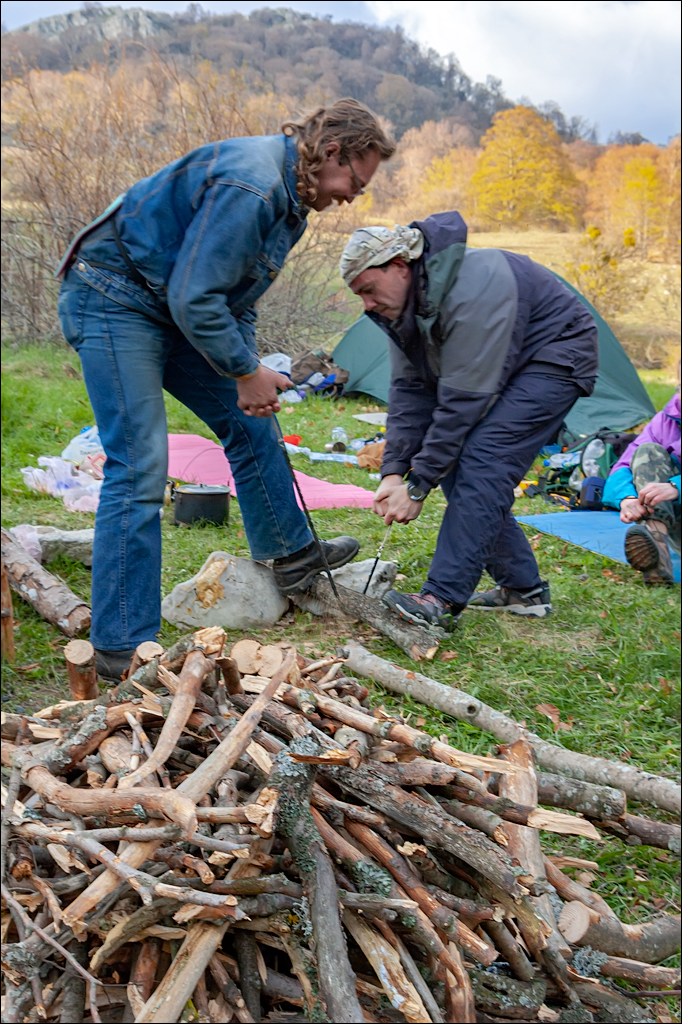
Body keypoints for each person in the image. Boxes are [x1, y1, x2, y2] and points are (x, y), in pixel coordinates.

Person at [56, 99, 395, 679]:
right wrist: (243, 371)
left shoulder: (291, 203)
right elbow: (196, 297)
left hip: (171, 307)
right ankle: (123, 646)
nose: (350, 197)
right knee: (138, 466)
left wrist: (249, 373)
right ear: (333, 151)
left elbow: (233, 300)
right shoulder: (255, 186)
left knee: (251, 419)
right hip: (114, 296)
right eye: (353, 182)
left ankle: (290, 556)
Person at [339, 213, 598, 631]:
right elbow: (409, 392)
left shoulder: (473, 288)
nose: (367, 304)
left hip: (555, 354)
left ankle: (440, 599)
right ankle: (523, 590)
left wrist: (418, 485)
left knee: (483, 460)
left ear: (400, 267)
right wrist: (393, 471)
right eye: (359, 295)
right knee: (460, 465)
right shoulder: (400, 309)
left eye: (369, 289)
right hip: (505, 363)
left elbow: (461, 405)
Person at [603, 389, 680, 584]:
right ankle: (658, 553)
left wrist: (676, 487)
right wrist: (627, 499)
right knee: (648, 452)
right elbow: (623, 467)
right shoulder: (666, 420)